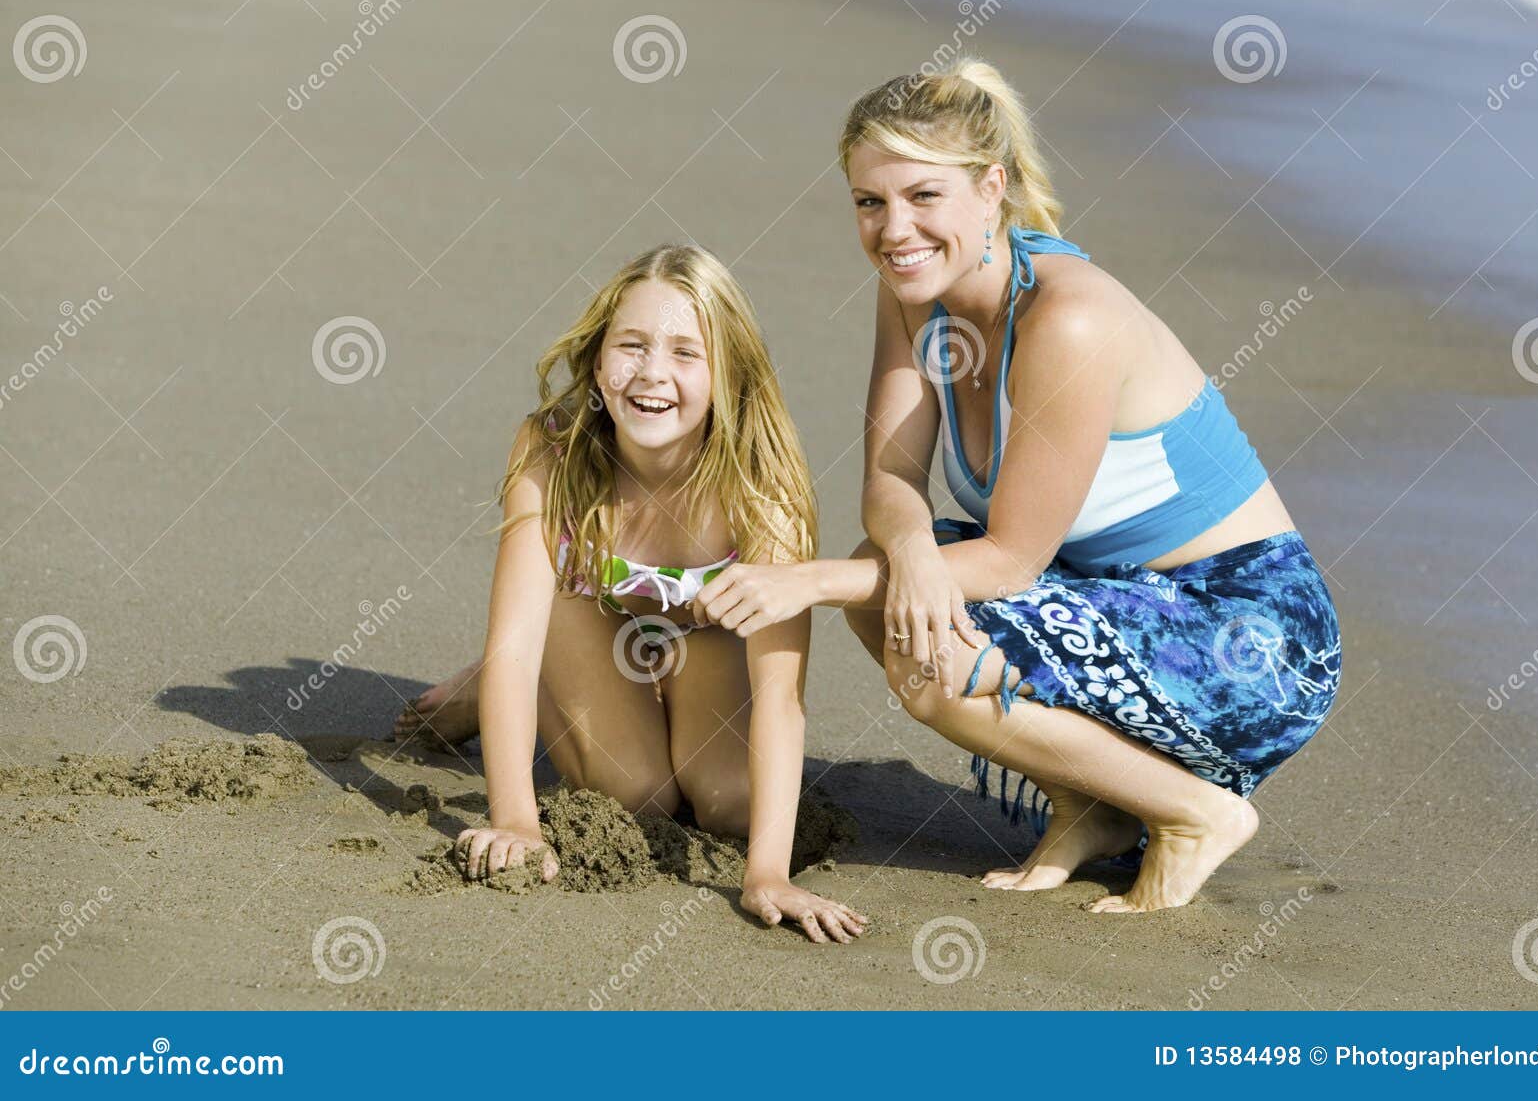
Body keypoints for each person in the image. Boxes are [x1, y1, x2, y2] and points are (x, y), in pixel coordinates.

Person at [692, 60, 1341, 913]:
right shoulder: (914, 292)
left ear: (991, 188)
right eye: (869, 201)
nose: (894, 230)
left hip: (1249, 638)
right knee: (885, 598)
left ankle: (1195, 815)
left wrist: (805, 581)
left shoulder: (1068, 319)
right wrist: (911, 548)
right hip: (1115, 596)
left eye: (923, 196)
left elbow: (1010, 562)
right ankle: (1096, 805)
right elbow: (890, 477)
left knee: (929, 657)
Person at [398, 244, 866, 943]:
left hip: (701, 636)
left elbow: (779, 693)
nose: (652, 373)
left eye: (686, 353)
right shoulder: (552, 449)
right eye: (632, 345)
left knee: (731, 803)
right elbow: (515, 649)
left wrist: (768, 873)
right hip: (584, 616)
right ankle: (513, 687)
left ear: (729, 376)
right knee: (636, 794)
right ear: (597, 361)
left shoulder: (761, 485)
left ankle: (630, 692)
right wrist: (516, 820)